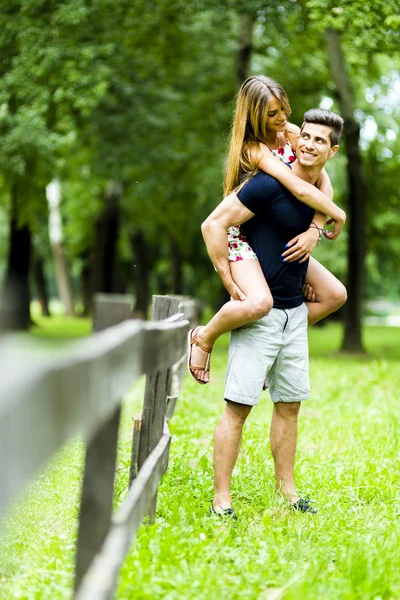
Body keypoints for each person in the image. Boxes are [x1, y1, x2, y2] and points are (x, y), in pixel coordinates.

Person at [202, 108, 344, 516]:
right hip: (260, 316)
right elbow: (217, 223)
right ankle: (221, 499)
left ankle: (288, 491)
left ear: (331, 152)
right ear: (298, 139)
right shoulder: (266, 184)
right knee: (238, 407)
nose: (311, 144)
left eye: (321, 141)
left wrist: (318, 228)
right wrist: (230, 282)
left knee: (289, 405)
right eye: (308, 136)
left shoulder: (319, 187)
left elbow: (321, 201)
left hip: (294, 314)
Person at [187, 76, 347, 384]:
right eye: (272, 114)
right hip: (241, 236)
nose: (282, 118)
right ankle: (204, 337)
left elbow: (322, 181)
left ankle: (275, 343)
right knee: (260, 302)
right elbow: (299, 188)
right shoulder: (255, 149)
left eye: (283, 109)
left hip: (277, 236)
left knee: (334, 294)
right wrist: (227, 276)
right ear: (255, 116)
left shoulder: (292, 133)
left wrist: (315, 228)